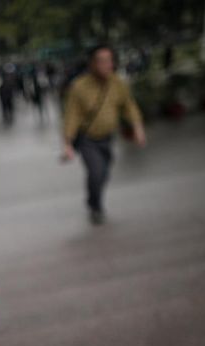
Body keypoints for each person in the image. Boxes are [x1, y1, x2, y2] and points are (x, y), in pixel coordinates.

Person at [62, 44, 146, 225]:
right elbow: (72, 115)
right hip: (88, 140)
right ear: (92, 64)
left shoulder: (117, 83)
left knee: (104, 174)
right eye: (102, 61)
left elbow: (128, 106)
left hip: (108, 138)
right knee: (96, 172)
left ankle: (94, 199)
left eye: (110, 60)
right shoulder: (79, 87)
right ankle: (95, 206)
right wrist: (68, 143)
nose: (107, 65)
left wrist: (137, 128)